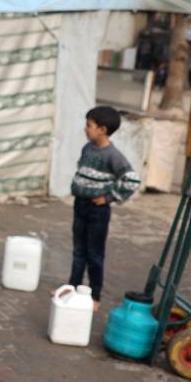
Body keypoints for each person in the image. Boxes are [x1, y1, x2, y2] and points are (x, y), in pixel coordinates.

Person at [65, 105, 141, 310]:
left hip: (97, 211)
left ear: (103, 129)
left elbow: (132, 181)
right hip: (80, 206)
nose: (85, 129)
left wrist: (109, 197)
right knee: (78, 251)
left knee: (94, 254)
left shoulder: (113, 156)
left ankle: (95, 296)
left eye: (89, 125)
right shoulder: (87, 148)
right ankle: (71, 289)